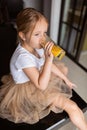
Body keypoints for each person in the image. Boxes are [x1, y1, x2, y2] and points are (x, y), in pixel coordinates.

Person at [0, 8, 87, 130]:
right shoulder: (22, 57)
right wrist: (48, 59)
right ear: (23, 35)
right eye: (37, 34)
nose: (42, 38)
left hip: (38, 76)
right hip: (30, 90)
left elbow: (48, 65)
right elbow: (41, 86)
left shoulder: (36, 44)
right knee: (72, 106)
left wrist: (65, 79)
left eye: (44, 33)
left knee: (64, 70)